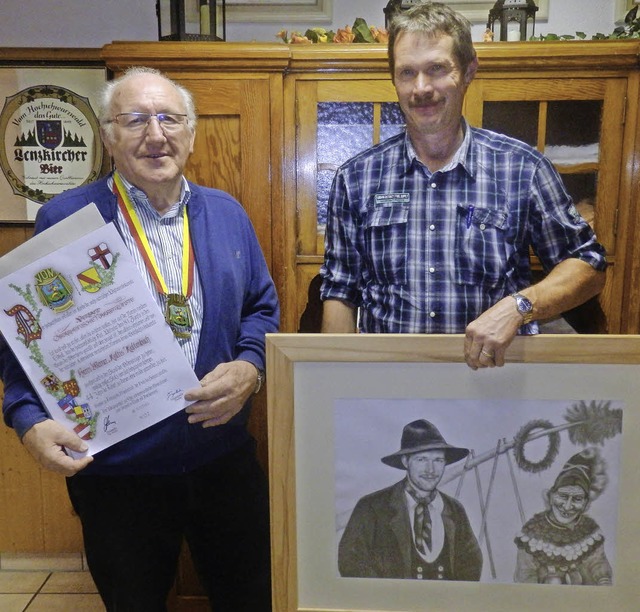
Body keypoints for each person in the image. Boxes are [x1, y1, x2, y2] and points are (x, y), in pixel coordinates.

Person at [0, 66, 279, 611]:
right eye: (135, 119)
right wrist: (27, 420)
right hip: (117, 474)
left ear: (192, 133)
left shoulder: (228, 213)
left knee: (250, 599)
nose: (156, 134)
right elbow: (25, 339)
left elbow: (261, 309)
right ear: (108, 136)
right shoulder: (64, 218)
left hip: (221, 460)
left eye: (170, 118)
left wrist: (251, 366)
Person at [319, 2, 607, 369]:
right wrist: (334, 387)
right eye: (407, 73)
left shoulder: (522, 168)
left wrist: (519, 307)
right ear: (394, 79)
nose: (421, 88)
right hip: (389, 388)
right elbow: (341, 292)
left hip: (493, 384)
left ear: (469, 71)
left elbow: (588, 264)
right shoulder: (356, 178)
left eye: (437, 69)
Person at [338, 419, 482, 580]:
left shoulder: (455, 510)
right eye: (422, 460)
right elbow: (351, 563)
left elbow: (472, 565)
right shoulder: (371, 508)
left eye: (438, 460)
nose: (431, 470)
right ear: (405, 461)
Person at [514, 447, 613, 585]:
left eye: (577, 499)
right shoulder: (532, 533)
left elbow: (598, 565)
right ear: (550, 496)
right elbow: (525, 576)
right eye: (563, 496)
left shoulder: (590, 531)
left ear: (585, 504)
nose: (567, 506)